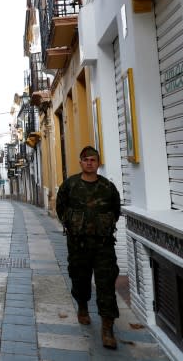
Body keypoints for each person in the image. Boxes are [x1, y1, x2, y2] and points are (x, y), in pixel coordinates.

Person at [56, 146, 121, 350]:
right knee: (80, 279)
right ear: (80, 162)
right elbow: (60, 208)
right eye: (86, 160)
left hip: (103, 246)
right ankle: (82, 306)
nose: (89, 163)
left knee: (106, 285)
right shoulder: (70, 185)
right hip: (78, 245)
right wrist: (73, 223)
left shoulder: (108, 187)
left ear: (98, 163)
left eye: (93, 160)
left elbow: (115, 210)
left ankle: (107, 328)